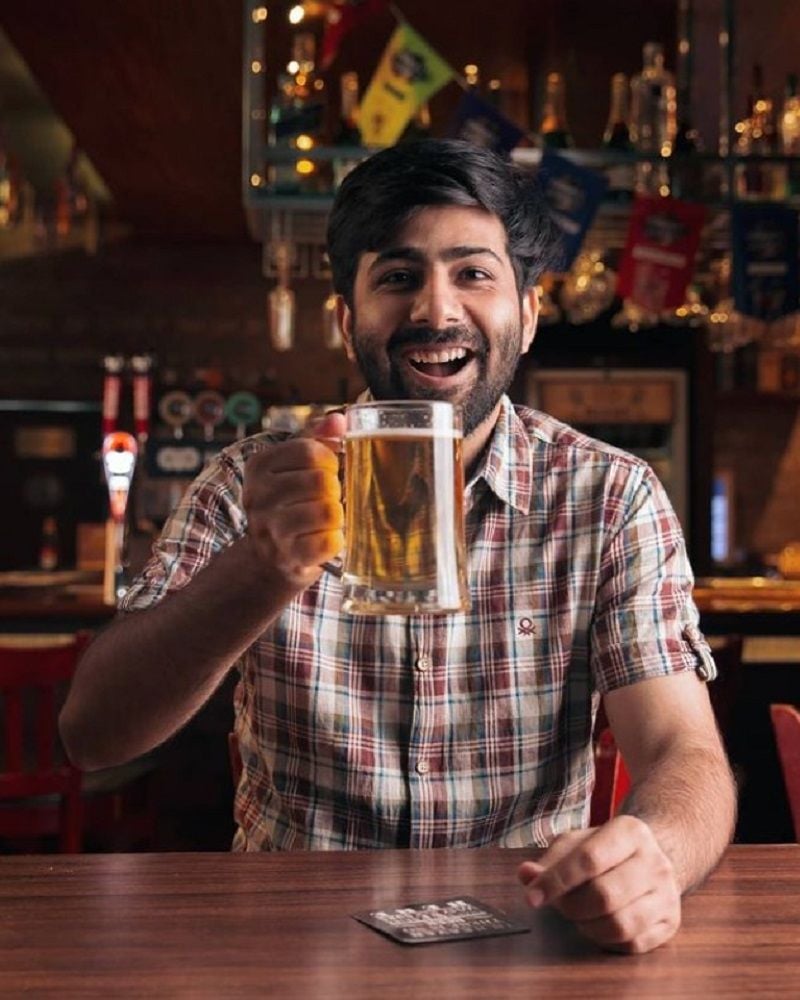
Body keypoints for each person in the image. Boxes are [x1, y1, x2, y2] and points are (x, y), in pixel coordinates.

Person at [60, 139, 735, 954]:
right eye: (397, 275)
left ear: (527, 312)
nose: (436, 311)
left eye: (474, 273)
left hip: (519, 940)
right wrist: (262, 567)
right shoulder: (251, 481)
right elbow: (93, 733)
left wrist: (654, 857)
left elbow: (683, 753)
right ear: (348, 317)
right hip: (287, 944)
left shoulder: (609, 496)